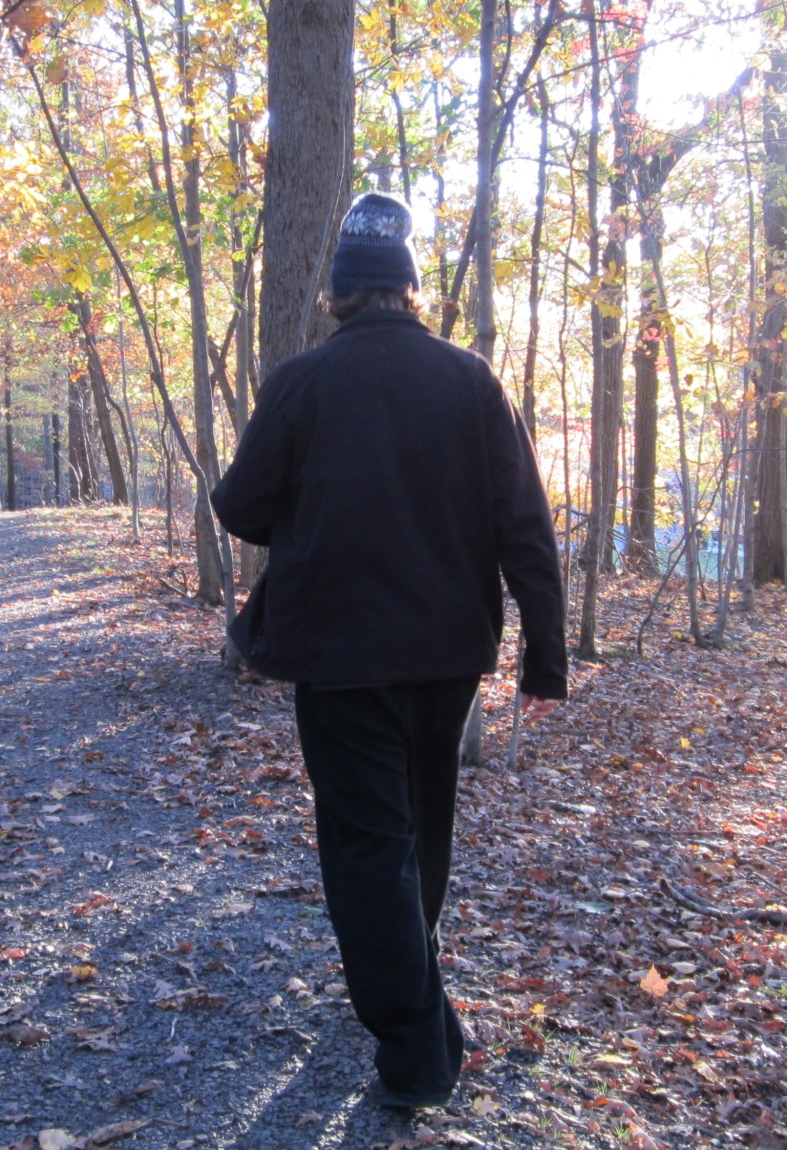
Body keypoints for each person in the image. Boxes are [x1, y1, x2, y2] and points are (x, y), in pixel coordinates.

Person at [210, 192, 567, 1111]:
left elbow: (240, 505)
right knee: (419, 828)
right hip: (447, 657)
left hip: (339, 657)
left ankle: (415, 1047)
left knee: (369, 846)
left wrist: (310, 503)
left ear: (338, 293)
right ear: (410, 288)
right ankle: (412, 985)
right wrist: (545, 657)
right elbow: (525, 525)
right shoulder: (470, 381)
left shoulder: (302, 382)